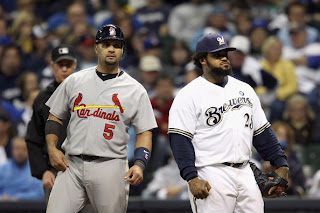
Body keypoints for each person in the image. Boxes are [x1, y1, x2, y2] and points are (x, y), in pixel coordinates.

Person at [168, 33, 289, 213]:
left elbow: (262, 132)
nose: (224, 58)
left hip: (246, 170)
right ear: (202, 60)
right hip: (210, 172)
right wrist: (191, 177)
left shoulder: (244, 89)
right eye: (217, 55)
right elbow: (180, 140)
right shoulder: (188, 95)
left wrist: (281, 164)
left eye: (225, 53)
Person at [45, 24, 157, 213]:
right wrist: (52, 149)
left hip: (110, 166)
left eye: (116, 44)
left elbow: (144, 132)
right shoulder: (75, 80)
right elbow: (54, 117)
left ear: (122, 50)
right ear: (97, 48)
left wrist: (139, 164)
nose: (112, 49)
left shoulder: (135, 89)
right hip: (71, 164)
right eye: (106, 44)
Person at [25, 44, 77, 202]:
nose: (64, 69)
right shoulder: (43, 99)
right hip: (55, 171)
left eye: (68, 65)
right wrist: (43, 171)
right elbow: (33, 138)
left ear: (75, 65)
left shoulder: (87, 94)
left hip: (84, 168)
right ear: (52, 66)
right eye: (60, 65)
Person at [0, 136, 44, 201]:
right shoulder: (2, 169)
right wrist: (1, 198)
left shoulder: (36, 169)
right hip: (5, 207)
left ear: (28, 151)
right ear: (12, 150)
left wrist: (18, 198)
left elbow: (41, 194)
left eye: (24, 149)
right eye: (17, 148)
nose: (20, 152)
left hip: (30, 208)